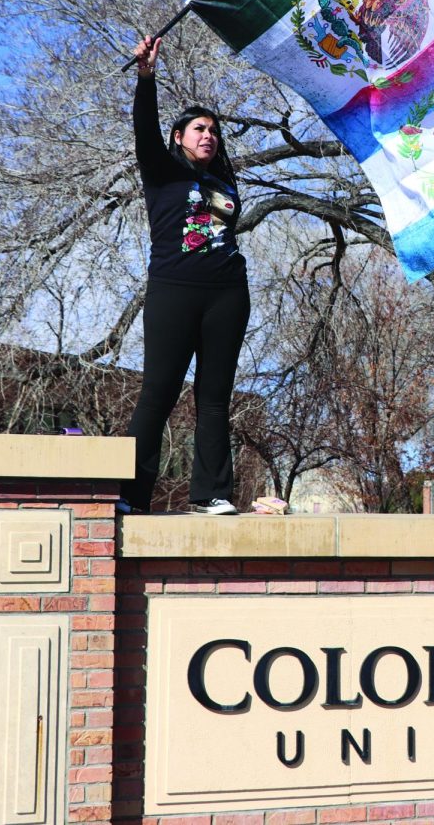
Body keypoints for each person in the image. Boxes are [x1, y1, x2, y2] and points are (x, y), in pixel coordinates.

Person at [120, 34, 250, 515]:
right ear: (178, 137)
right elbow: (143, 130)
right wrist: (146, 77)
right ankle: (131, 496)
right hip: (174, 291)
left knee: (215, 397)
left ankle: (211, 494)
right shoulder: (162, 171)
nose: (207, 136)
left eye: (213, 131)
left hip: (227, 295)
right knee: (159, 393)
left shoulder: (223, 179)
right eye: (198, 129)